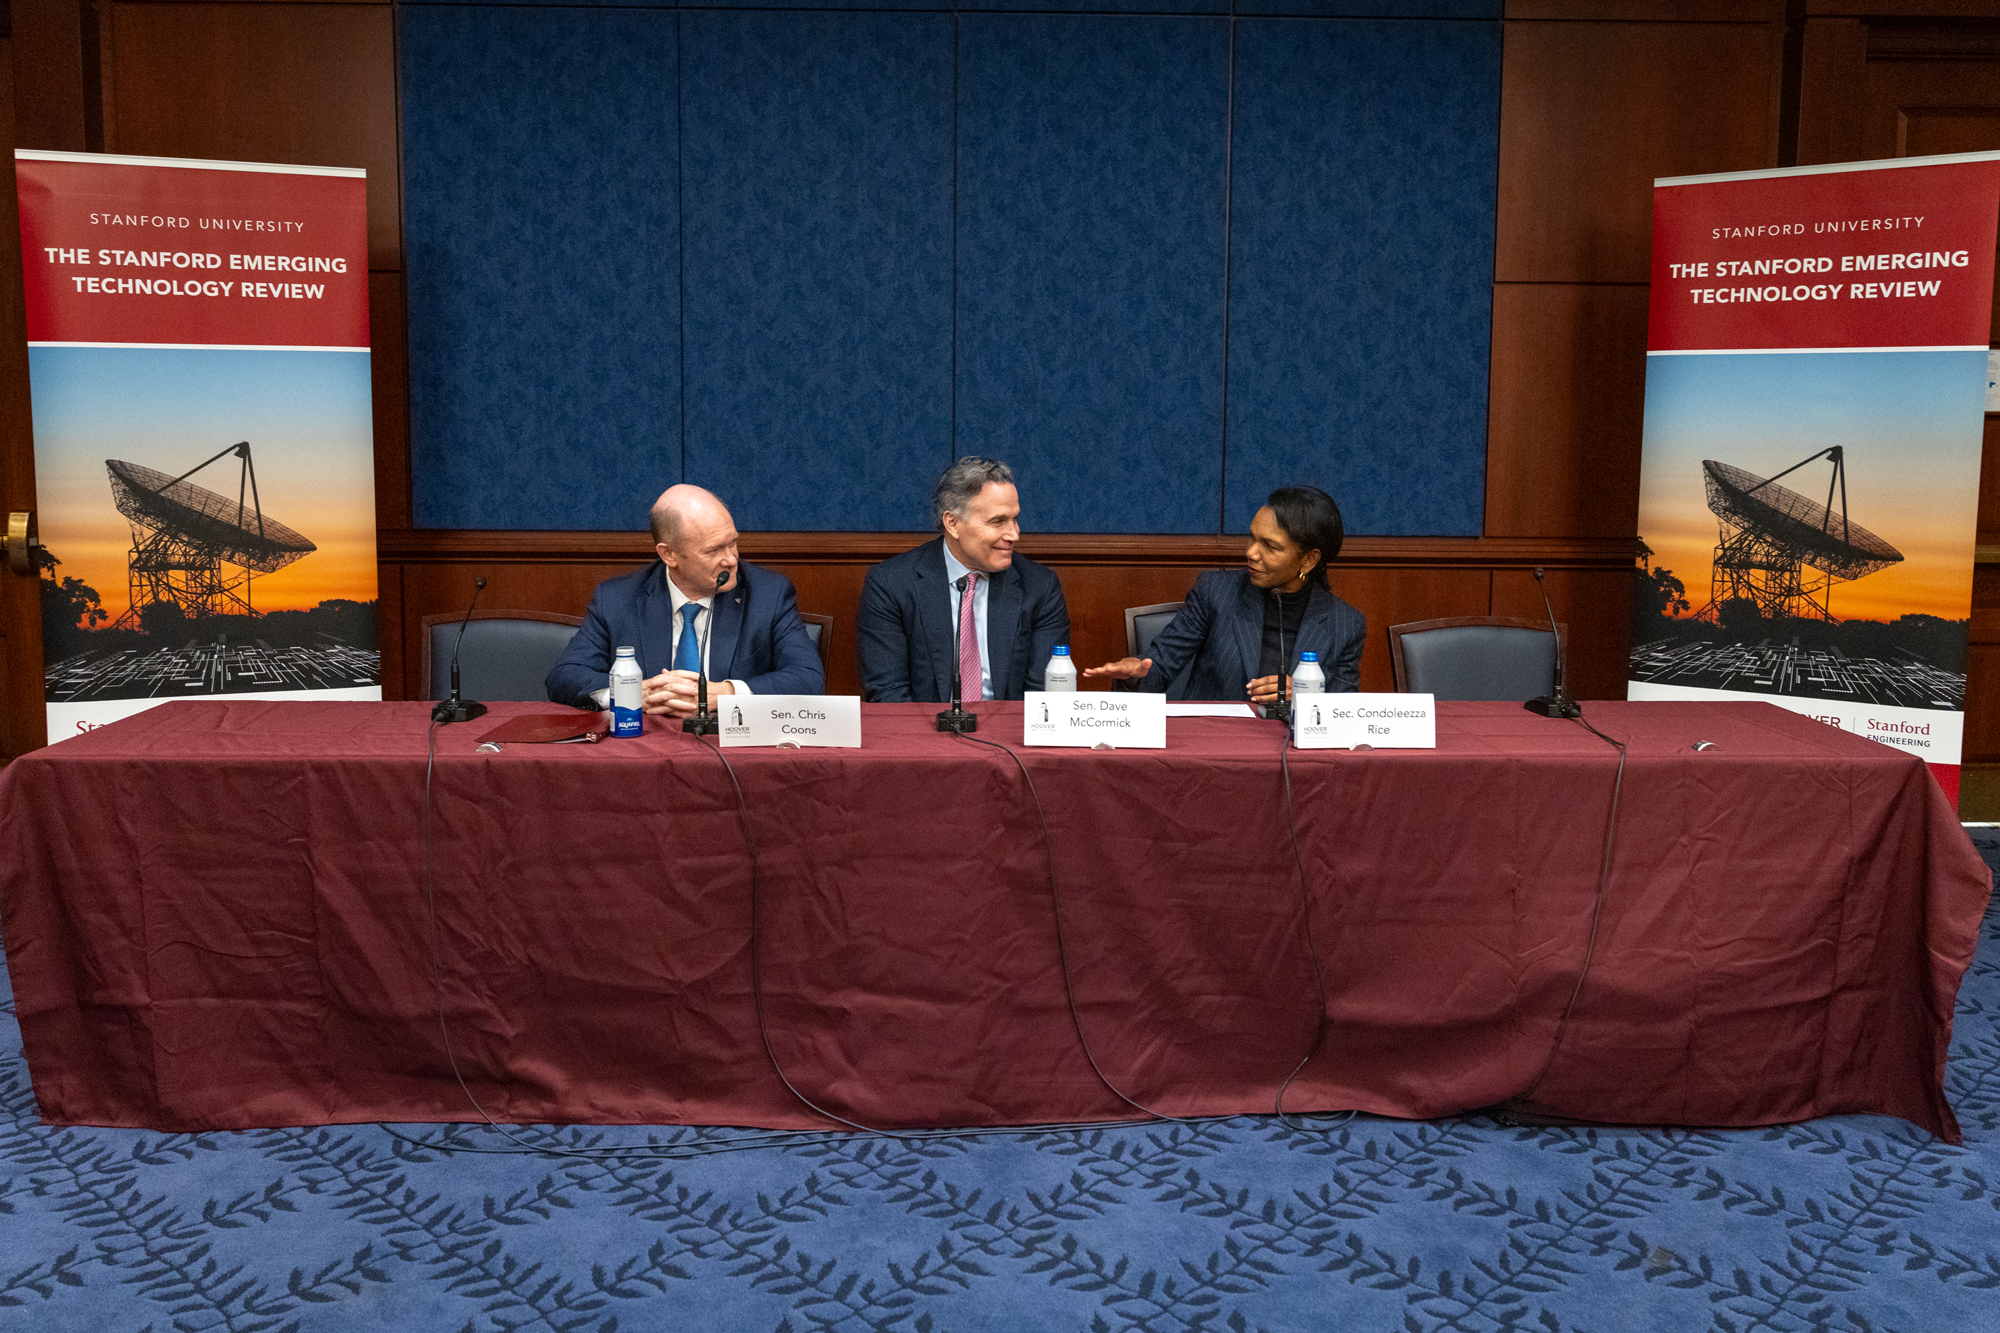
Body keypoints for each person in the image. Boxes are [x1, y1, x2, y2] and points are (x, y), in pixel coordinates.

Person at [546, 484, 824, 713]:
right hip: (646, 745)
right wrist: (631, 693)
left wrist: (725, 693)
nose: (731, 559)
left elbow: (808, 678)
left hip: (729, 746)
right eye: (714, 550)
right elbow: (565, 676)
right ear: (668, 554)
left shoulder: (769, 594)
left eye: (733, 543)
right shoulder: (617, 599)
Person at [1083, 485, 1363, 705]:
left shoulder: (1345, 624)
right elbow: (1159, 664)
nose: (1251, 552)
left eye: (1270, 546)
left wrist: (1306, 695)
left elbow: (1344, 710)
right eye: (1252, 537)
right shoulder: (1216, 592)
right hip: (1214, 744)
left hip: (1295, 752)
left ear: (1309, 560)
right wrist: (1135, 675)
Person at [857, 457, 1070, 703]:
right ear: (953, 523)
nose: (1014, 534)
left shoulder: (1039, 586)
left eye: (1015, 519)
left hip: (1009, 726)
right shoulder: (890, 584)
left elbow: (1044, 697)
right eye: (998, 521)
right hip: (924, 725)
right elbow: (888, 693)